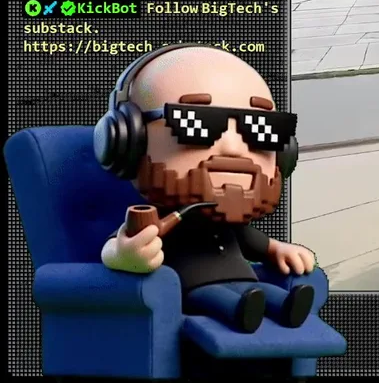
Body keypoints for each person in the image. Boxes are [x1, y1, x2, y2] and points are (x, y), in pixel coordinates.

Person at [96, 45, 317, 333]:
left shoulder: (233, 223)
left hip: (246, 278)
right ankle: (241, 312)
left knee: (266, 294)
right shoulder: (160, 218)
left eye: (262, 128)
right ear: (127, 141)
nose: (233, 147)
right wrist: (124, 255)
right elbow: (115, 245)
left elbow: (253, 242)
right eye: (196, 123)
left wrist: (278, 249)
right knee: (219, 299)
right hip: (193, 287)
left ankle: (285, 306)